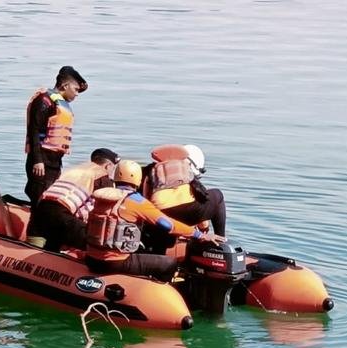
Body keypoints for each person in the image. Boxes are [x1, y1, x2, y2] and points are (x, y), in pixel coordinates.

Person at [85, 160, 225, 282]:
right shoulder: (137, 202)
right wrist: (200, 235)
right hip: (116, 262)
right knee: (169, 263)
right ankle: (159, 290)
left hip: (92, 260)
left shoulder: (100, 199)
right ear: (138, 180)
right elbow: (168, 224)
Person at [25, 148, 119, 251]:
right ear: (107, 166)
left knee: (55, 237)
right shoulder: (102, 177)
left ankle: (49, 255)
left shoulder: (75, 169)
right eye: (113, 169)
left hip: (41, 209)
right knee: (94, 239)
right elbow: (100, 208)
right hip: (61, 212)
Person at [24, 66, 86, 206]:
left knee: (49, 199)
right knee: (40, 199)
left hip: (54, 163)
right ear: (65, 85)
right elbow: (34, 130)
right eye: (76, 89)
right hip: (41, 161)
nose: (77, 94)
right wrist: (37, 160)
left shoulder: (60, 103)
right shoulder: (44, 100)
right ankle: (36, 226)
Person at [144, 144, 227, 236]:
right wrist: (204, 229)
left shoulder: (151, 170)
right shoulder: (185, 170)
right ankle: (221, 240)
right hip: (183, 213)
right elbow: (203, 206)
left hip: (157, 217)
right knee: (217, 195)